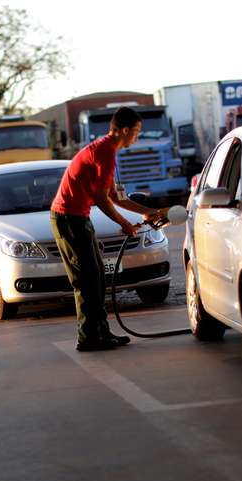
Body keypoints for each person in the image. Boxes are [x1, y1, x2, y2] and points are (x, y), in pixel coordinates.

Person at [50, 106, 166, 352]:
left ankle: (100, 332)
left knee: (97, 275)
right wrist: (124, 224)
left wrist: (144, 211)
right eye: (136, 131)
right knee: (87, 278)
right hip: (68, 219)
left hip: (77, 218)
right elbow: (101, 199)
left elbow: (114, 196)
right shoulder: (104, 153)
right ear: (124, 130)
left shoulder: (105, 150)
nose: (137, 136)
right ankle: (88, 337)